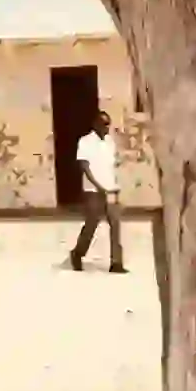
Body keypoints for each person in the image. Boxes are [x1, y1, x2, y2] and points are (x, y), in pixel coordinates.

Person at [69, 110, 126, 273]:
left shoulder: (110, 142)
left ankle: (116, 263)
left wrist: (115, 186)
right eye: (104, 124)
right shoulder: (85, 142)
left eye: (108, 124)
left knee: (115, 224)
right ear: (96, 125)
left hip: (110, 189)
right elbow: (84, 167)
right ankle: (77, 253)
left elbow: (111, 167)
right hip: (93, 191)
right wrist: (98, 186)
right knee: (92, 224)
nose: (107, 128)